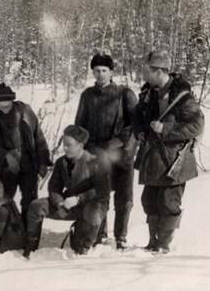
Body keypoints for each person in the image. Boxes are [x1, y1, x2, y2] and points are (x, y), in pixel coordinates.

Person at [134, 51, 204, 253]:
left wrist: (166, 129)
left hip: (173, 160)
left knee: (168, 203)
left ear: (158, 71)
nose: (143, 73)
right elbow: (138, 117)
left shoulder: (182, 97)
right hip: (153, 158)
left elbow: (196, 126)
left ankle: (163, 245)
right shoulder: (148, 93)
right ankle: (153, 242)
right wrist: (139, 131)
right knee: (149, 201)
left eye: (146, 70)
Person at [75, 53, 138, 249]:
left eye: (104, 70)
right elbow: (80, 126)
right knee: (99, 195)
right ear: (92, 72)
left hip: (122, 154)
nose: (100, 74)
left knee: (124, 198)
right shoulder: (87, 95)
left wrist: (120, 140)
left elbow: (135, 123)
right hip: (96, 154)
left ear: (111, 72)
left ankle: (121, 237)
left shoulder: (124, 94)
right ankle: (99, 233)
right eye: (97, 70)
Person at [25, 125, 111, 257]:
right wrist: (59, 203)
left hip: (91, 207)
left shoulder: (96, 162)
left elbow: (103, 192)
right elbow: (54, 187)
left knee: (78, 246)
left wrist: (78, 199)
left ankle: (86, 246)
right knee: (36, 206)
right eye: (64, 144)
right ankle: (31, 248)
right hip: (67, 206)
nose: (64, 148)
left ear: (80, 145)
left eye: (69, 145)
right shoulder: (61, 163)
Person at [0, 83, 50, 232]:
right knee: (4, 201)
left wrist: (43, 161)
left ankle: (30, 239)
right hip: (4, 168)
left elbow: (39, 138)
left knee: (30, 202)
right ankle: (7, 235)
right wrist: (5, 155)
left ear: (12, 101)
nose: (4, 106)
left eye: (7, 103)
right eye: (1, 103)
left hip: (28, 165)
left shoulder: (26, 113)